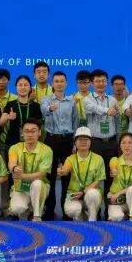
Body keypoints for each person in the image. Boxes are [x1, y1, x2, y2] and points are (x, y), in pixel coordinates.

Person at [41, 71, 76, 220]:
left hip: (67, 140)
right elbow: (44, 111)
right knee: (50, 176)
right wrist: (50, 108)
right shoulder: (46, 99)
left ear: (66, 83)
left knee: (67, 176)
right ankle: (49, 211)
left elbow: (75, 122)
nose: (59, 83)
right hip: (51, 140)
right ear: (52, 84)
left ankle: (66, 211)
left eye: (62, 81)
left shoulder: (72, 101)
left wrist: (74, 143)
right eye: (56, 81)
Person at [7, 119, 54, 221]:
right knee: (17, 208)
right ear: (22, 133)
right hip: (20, 187)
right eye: (26, 131)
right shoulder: (14, 148)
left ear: (39, 132)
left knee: (37, 183)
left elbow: (42, 174)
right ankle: (26, 213)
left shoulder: (47, 150)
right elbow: (11, 163)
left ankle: (37, 216)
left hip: (40, 187)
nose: (30, 134)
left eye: (33, 131)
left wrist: (22, 176)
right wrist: (14, 168)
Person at [57, 127, 105, 222]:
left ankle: (92, 220)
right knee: (73, 210)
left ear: (90, 142)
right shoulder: (70, 159)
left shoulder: (98, 159)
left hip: (90, 194)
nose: (83, 142)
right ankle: (79, 219)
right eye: (80, 139)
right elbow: (66, 169)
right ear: (75, 142)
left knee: (92, 194)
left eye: (86, 139)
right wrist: (62, 171)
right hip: (74, 194)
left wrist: (83, 192)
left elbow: (97, 181)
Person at [2, 75, 44, 157]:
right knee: (12, 165)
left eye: (25, 85)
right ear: (16, 87)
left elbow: (39, 127)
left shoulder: (36, 106)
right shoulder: (10, 104)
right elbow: (0, 123)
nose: (23, 87)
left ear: (30, 87)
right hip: (12, 143)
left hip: (31, 144)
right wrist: (7, 117)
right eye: (20, 85)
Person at [107, 133, 132, 221]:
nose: (127, 146)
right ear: (120, 145)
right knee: (116, 217)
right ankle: (124, 215)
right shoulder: (115, 161)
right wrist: (113, 171)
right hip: (117, 199)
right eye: (123, 143)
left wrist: (119, 193)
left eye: (130, 143)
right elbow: (112, 172)